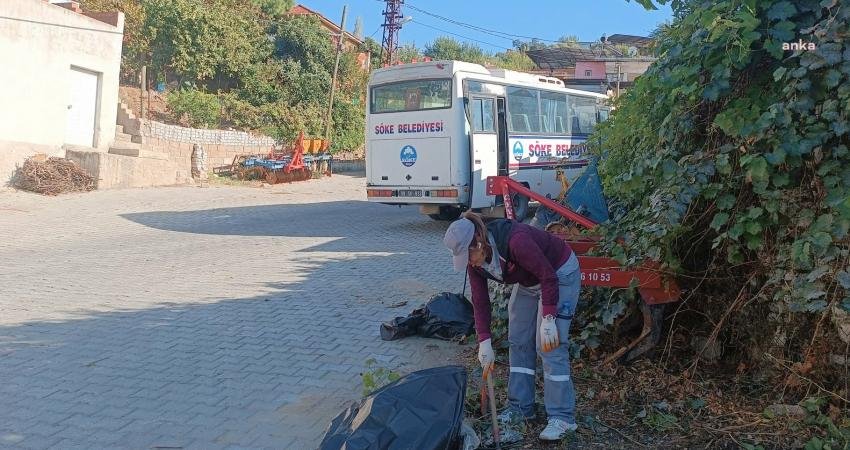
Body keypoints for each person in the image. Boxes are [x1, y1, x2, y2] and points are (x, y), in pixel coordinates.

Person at [443, 211, 581, 442]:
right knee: (518, 338)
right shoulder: (475, 261)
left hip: (558, 273)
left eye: (469, 255)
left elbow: (548, 277)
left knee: (548, 345)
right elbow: (480, 300)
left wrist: (548, 318)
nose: (469, 262)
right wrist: (484, 341)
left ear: (478, 241)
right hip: (529, 280)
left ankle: (563, 418)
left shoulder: (516, 241)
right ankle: (520, 407)